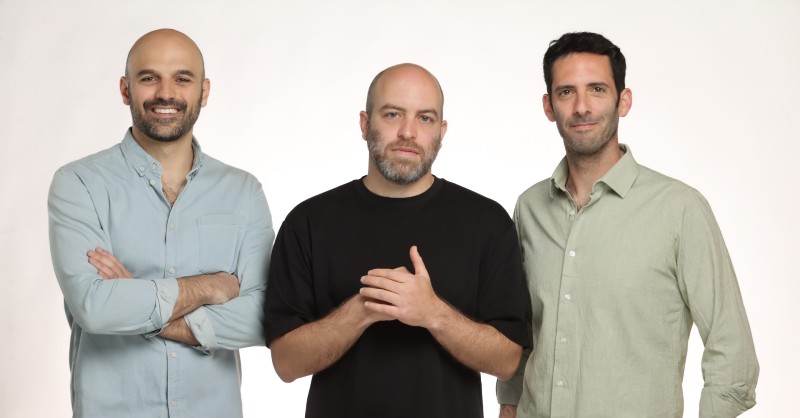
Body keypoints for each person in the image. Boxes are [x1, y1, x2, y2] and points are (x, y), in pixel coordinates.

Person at [496, 32, 759, 417]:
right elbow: (523, 334)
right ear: (549, 106)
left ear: (624, 100)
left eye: (597, 89)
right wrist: (509, 406)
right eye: (566, 92)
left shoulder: (680, 209)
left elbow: (733, 351)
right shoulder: (530, 207)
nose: (582, 107)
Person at [264, 63, 530, 418]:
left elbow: (508, 361)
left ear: (441, 132)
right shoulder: (308, 221)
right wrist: (362, 309)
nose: (408, 132)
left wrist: (433, 313)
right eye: (392, 114)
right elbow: (285, 363)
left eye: (425, 118)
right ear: (364, 124)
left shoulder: (487, 222)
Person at [48, 29, 273, 418]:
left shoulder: (243, 192)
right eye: (149, 77)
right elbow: (94, 307)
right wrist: (209, 287)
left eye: (182, 79)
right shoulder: (79, 184)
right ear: (125, 89)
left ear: (203, 92)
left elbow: (263, 317)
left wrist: (135, 298)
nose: (166, 93)